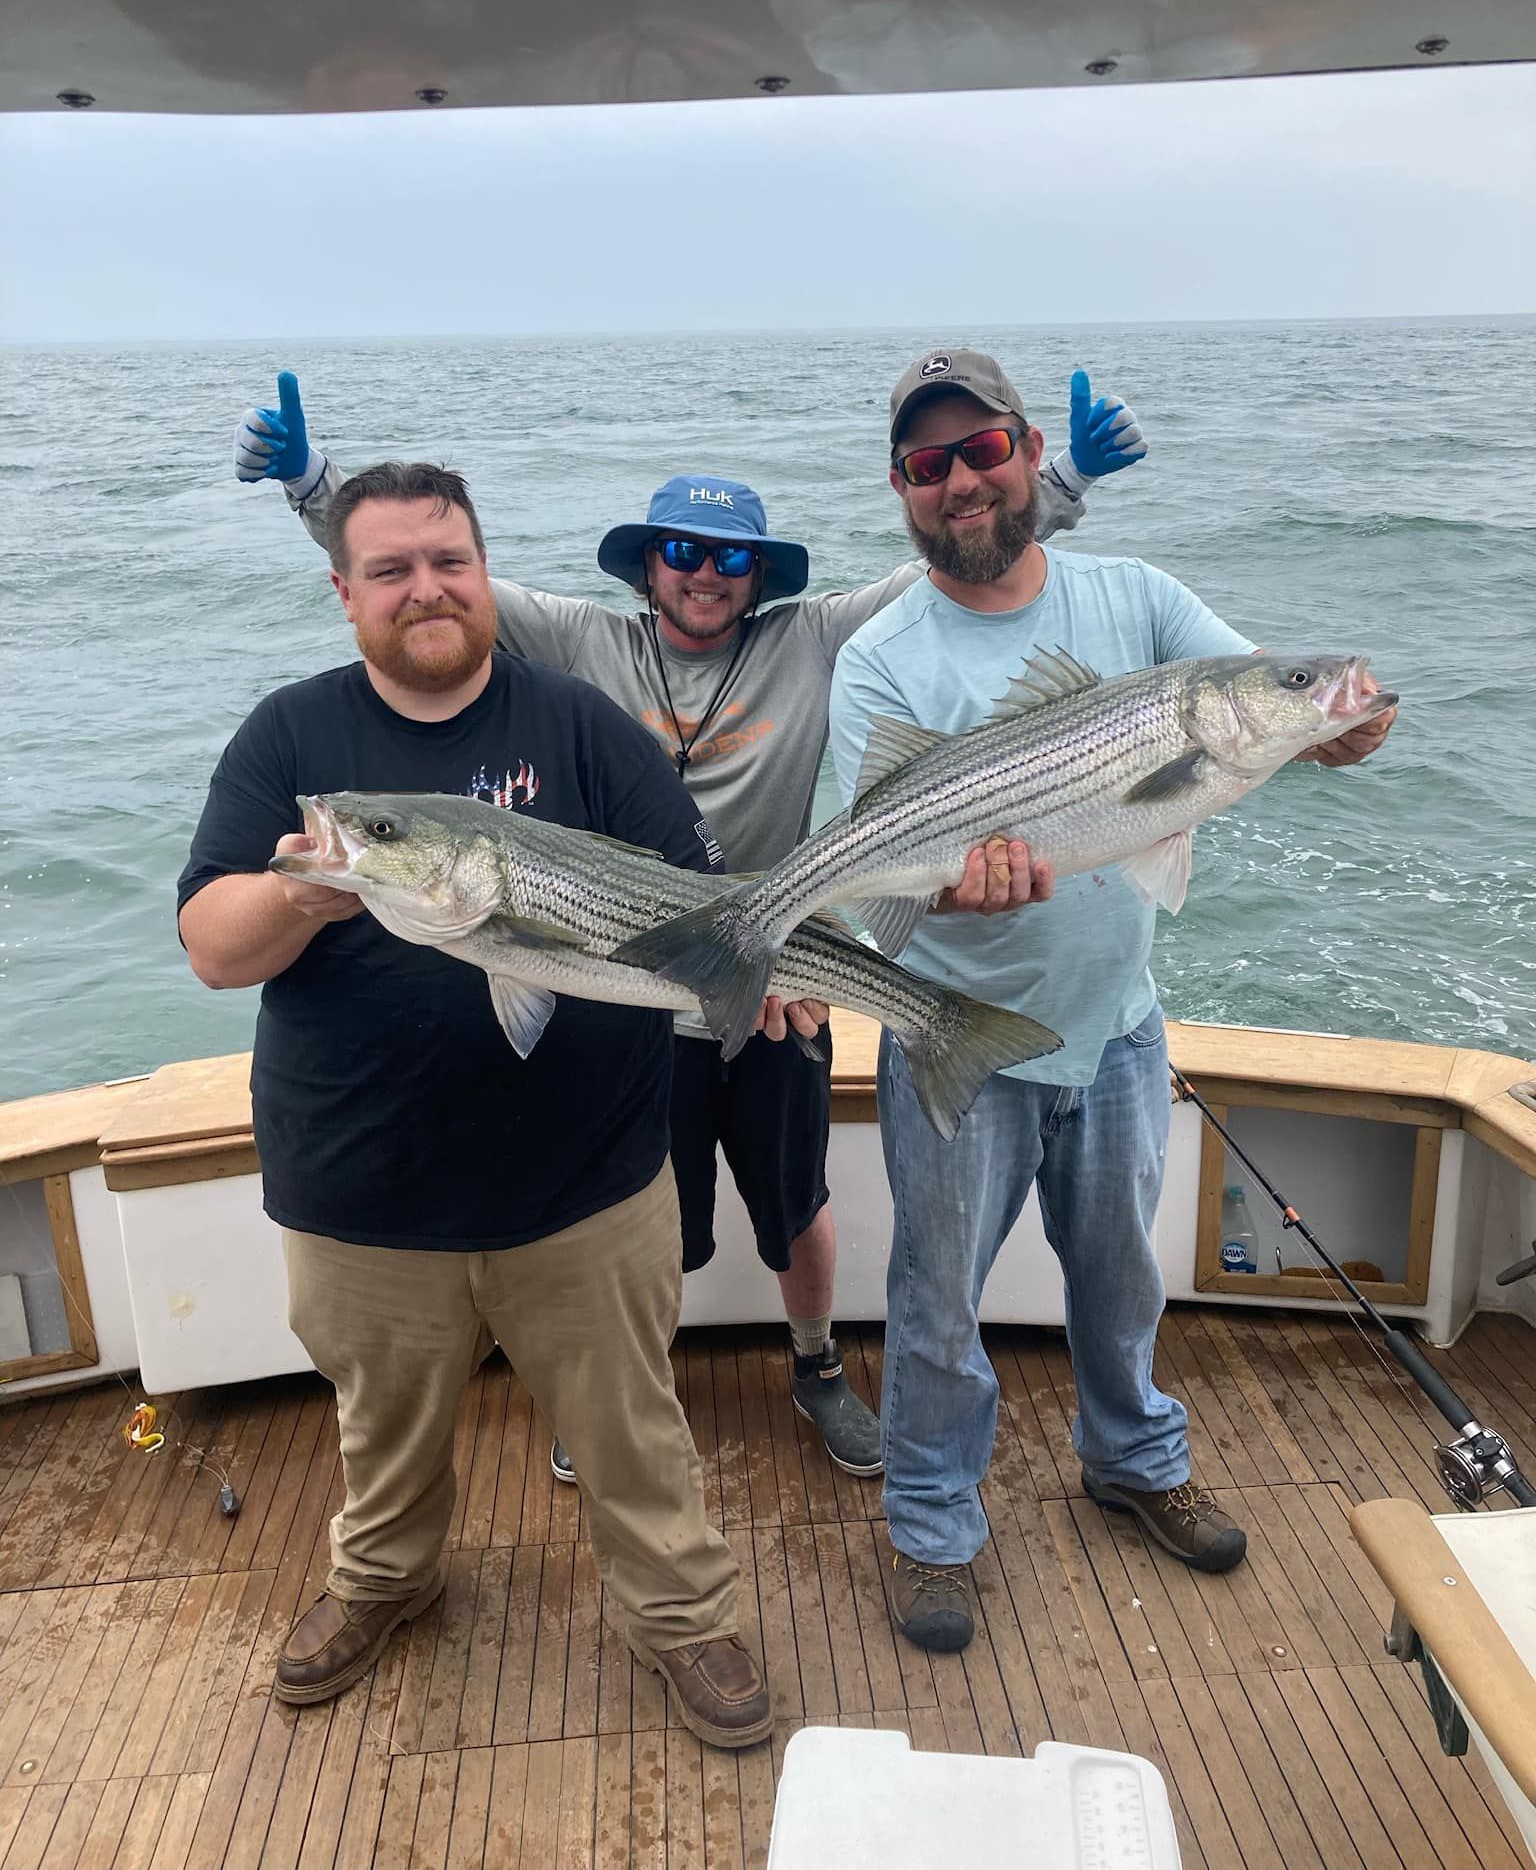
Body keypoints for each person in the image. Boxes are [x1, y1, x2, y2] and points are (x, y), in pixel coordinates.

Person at [230, 366, 1148, 1484]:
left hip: (781, 969)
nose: (707, 573)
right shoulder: (579, 642)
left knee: (795, 1199)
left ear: (761, 574)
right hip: (628, 980)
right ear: (646, 563)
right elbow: (430, 586)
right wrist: (310, 483)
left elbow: (957, 550)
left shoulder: (811, 637)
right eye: (684, 551)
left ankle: (816, 1365)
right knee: (652, 1216)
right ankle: (623, 1393)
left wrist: (1067, 477)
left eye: (731, 557)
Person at [178, 460, 789, 1747]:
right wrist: (302, 890)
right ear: (344, 589)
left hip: (587, 1185)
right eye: (391, 569)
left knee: (633, 1427)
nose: (427, 589)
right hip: (360, 1186)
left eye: (449, 560)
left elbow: (701, 904)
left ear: (484, 568)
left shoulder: (582, 725)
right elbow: (212, 945)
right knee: (381, 1432)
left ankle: (685, 1615)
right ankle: (383, 1581)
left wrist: (768, 976)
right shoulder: (291, 738)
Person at [828, 346, 1397, 1653]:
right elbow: (868, 887)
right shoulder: (883, 660)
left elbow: (1266, 696)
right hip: (954, 1038)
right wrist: (944, 892)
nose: (960, 481)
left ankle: (1134, 1459)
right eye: (929, 465)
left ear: (1030, 453)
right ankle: (930, 1520)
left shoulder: (1136, 600)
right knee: (932, 1296)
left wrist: (1338, 716)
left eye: (982, 451)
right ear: (903, 492)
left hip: (1118, 1025)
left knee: (1121, 1275)